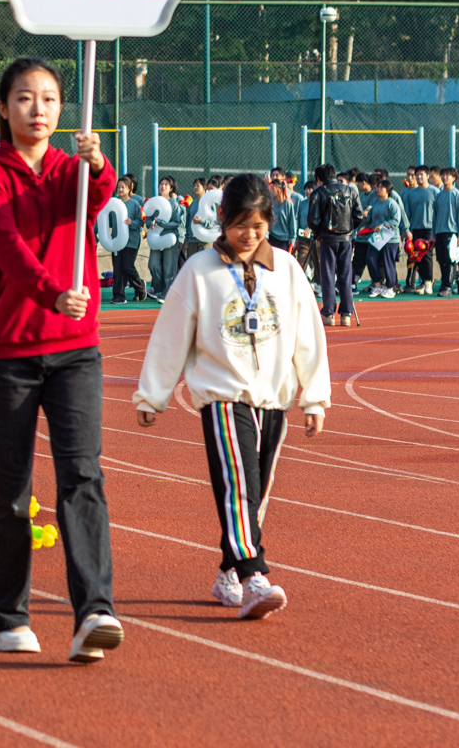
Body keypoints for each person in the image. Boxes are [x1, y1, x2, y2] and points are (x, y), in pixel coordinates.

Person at [0, 57, 123, 662]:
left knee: (82, 476)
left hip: (75, 350)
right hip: (7, 353)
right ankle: (8, 615)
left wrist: (100, 165)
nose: (39, 108)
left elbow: (97, 199)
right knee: (10, 490)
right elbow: (3, 244)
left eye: (51, 98)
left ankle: (95, 611)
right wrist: (50, 291)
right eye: (26, 98)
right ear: (3, 108)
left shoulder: (71, 170)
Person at [134, 173, 329, 621]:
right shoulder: (200, 270)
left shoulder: (286, 268)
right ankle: (255, 575)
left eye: (258, 226)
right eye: (241, 225)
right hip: (224, 397)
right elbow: (171, 334)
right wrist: (153, 394)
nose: (249, 235)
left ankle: (229, 571)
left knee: (253, 491)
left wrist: (314, 398)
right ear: (223, 220)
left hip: (274, 399)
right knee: (239, 486)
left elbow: (308, 335)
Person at [306, 164, 363, 326]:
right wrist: (349, 230)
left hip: (327, 239)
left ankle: (329, 314)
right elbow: (358, 215)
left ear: (319, 179)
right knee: (346, 275)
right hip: (346, 240)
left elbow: (312, 219)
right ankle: (346, 315)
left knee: (328, 275)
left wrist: (318, 232)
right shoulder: (350, 191)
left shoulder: (318, 193)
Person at [145, 176, 184, 300]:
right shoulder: (156, 202)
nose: (163, 187)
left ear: (171, 188)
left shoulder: (174, 203)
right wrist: (150, 224)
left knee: (169, 268)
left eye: (166, 185)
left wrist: (163, 224)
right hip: (156, 240)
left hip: (170, 239)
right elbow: (148, 220)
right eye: (161, 184)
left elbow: (177, 222)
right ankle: (159, 288)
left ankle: (166, 294)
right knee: (153, 265)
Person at [363, 180, 404, 299]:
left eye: (381, 187)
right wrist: (365, 216)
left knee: (388, 262)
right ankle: (377, 285)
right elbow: (370, 220)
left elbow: (396, 221)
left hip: (390, 237)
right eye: (377, 187)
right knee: (370, 259)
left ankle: (391, 288)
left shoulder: (392, 203)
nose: (378, 189)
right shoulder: (375, 203)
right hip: (378, 237)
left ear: (388, 190)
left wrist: (383, 225)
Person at [401, 165, 437, 293]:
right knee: (416, 256)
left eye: (422, 175)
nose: (419, 177)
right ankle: (423, 282)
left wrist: (435, 230)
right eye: (417, 175)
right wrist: (406, 230)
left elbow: (438, 212)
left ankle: (428, 281)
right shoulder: (411, 194)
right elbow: (407, 214)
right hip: (415, 229)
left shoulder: (434, 192)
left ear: (428, 176)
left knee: (426, 254)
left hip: (429, 229)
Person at [431, 167, 459, 297]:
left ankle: (446, 286)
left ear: (454, 178)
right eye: (443, 175)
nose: (445, 177)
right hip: (439, 232)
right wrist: (433, 234)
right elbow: (434, 216)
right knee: (441, 260)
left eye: (448, 175)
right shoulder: (439, 196)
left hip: (452, 233)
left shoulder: (458, 195)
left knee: (450, 260)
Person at [110, 174, 146, 303]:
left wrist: (132, 223)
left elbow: (140, 223)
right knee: (117, 268)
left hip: (131, 241)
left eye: (123, 187)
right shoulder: (114, 202)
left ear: (130, 188)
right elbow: (109, 221)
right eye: (118, 187)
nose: (120, 189)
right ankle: (118, 296)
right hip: (116, 241)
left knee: (127, 266)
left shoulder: (135, 204)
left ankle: (140, 286)